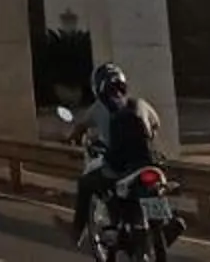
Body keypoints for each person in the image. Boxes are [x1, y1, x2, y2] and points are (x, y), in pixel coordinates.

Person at [67, 62, 163, 247]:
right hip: (148, 161)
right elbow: (156, 124)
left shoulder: (99, 108)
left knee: (87, 183)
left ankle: (77, 233)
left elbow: (80, 127)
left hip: (121, 165)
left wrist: (71, 138)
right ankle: (161, 222)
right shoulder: (140, 103)